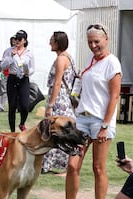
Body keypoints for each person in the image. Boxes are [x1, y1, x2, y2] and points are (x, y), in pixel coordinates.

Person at [55, 24, 122, 199]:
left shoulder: (112, 63)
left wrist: (104, 125)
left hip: (101, 122)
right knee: (72, 165)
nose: (93, 45)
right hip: (82, 119)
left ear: (106, 39)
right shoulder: (91, 60)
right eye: (90, 42)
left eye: (96, 41)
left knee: (98, 168)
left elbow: (114, 96)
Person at [42, 31, 77, 173]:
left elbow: (57, 83)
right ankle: (58, 164)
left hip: (59, 100)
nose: (50, 43)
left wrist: (50, 105)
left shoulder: (61, 60)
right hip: (65, 99)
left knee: (53, 131)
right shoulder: (68, 57)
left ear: (57, 43)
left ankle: (48, 164)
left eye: (52, 40)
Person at [0, 30, 35, 132]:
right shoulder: (8, 51)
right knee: (12, 105)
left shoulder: (29, 53)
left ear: (24, 40)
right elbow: (3, 65)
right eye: (16, 39)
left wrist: (28, 72)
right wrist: (10, 57)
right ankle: (12, 130)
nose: (17, 41)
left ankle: (22, 123)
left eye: (19, 39)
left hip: (24, 78)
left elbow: (32, 68)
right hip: (12, 78)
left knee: (24, 105)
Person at [0, 35, 17, 112]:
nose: (15, 42)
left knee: (14, 91)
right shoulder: (7, 51)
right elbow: (3, 62)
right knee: (3, 90)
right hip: (6, 72)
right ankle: (1, 106)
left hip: (15, 73)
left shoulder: (22, 51)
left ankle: (14, 106)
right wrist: (2, 71)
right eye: (13, 40)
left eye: (16, 40)